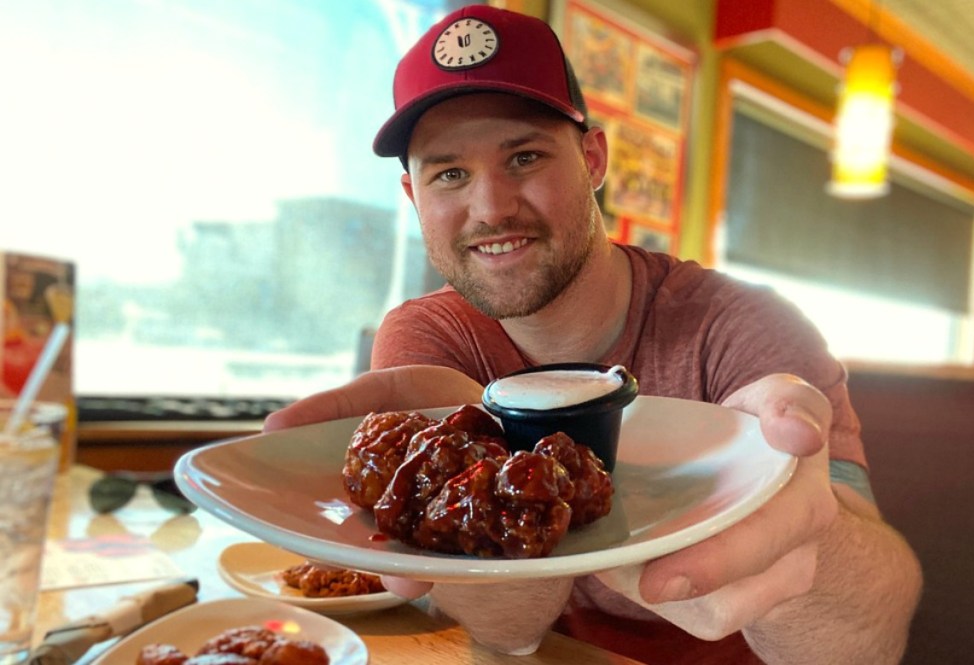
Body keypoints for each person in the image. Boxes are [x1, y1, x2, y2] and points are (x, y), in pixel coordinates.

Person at [265, 5, 922, 663]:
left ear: (593, 158)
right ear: (413, 197)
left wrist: (806, 533)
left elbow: (866, 645)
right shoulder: (427, 336)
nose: (491, 208)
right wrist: (472, 474)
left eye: (524, 156)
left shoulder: (742, 326)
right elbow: (503, 633)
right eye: (450, 174)